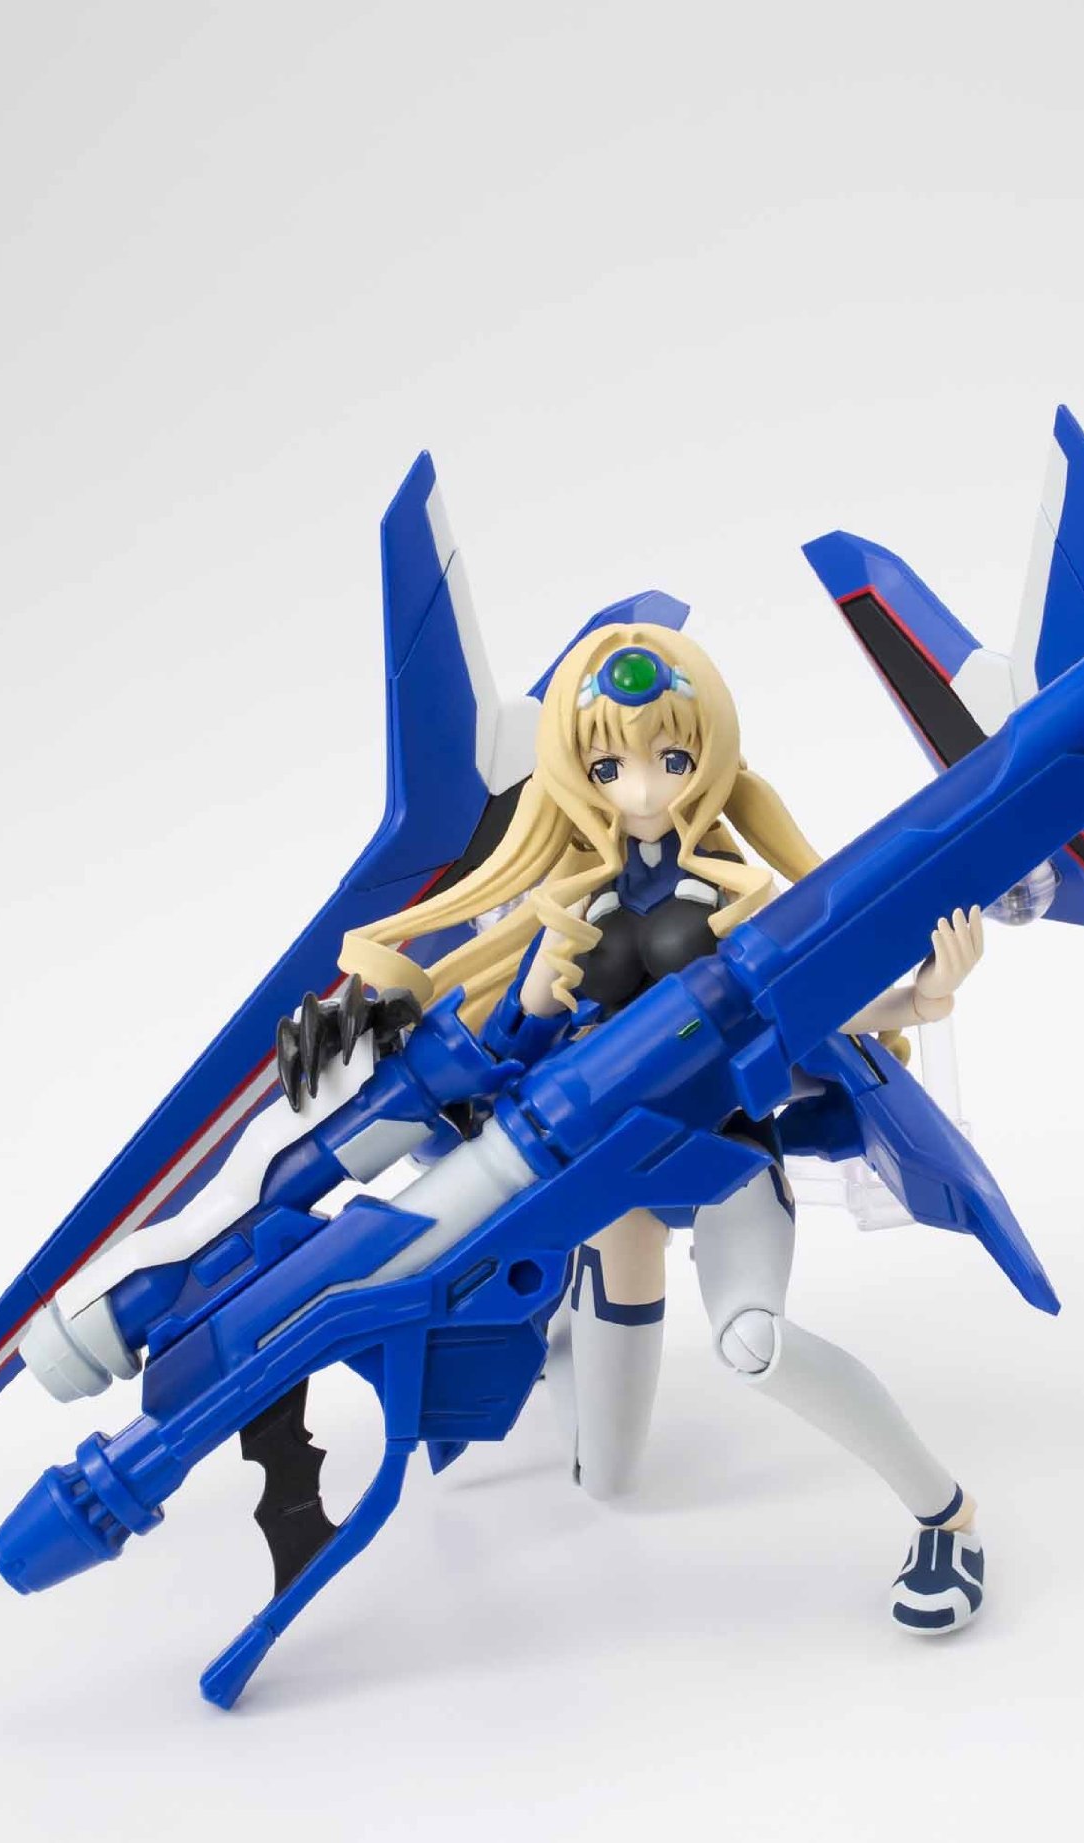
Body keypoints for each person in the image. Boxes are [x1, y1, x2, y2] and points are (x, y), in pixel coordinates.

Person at [329, 620, 991, 1632]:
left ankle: (947, 1514)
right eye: (610, 766)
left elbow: (826, 1004)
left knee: (754, 1341)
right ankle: (547, 1324)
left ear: (708, 754)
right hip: (610, 1181)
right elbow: (509, 1041)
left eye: (671, 758)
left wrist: (925, 997)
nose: (642, 788)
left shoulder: (742, 898)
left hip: (724, 1155)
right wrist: (531, 992)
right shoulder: (569, 900)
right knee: (606, 1478)